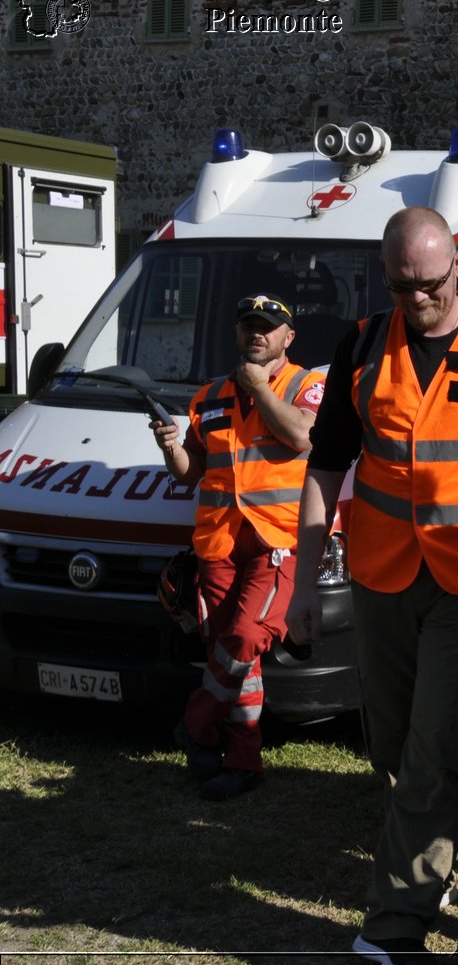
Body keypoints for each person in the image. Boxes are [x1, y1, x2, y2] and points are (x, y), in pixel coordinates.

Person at [285, 206, 458, 965]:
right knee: (396, 747)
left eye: (431, 285)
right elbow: (323, 468)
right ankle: (422, 871)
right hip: (382, 578)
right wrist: (305, 586)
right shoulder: (363, 345)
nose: (418, 301)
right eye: (402, 286)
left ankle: (392, 932)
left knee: (435, 750)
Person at [156, 294, 324, 801]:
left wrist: (258, 386)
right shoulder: (208, 397)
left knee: (246, 637)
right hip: (219, 543)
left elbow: (301, 435)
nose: (258, 333)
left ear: (287, 339)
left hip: (278, 539)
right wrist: (171, 449)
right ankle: (242, 764)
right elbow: (194, 471)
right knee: (233, 657)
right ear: (237, 333)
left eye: (269, 327)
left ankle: (195, 723)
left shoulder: (309, 384)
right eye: (249, 324)